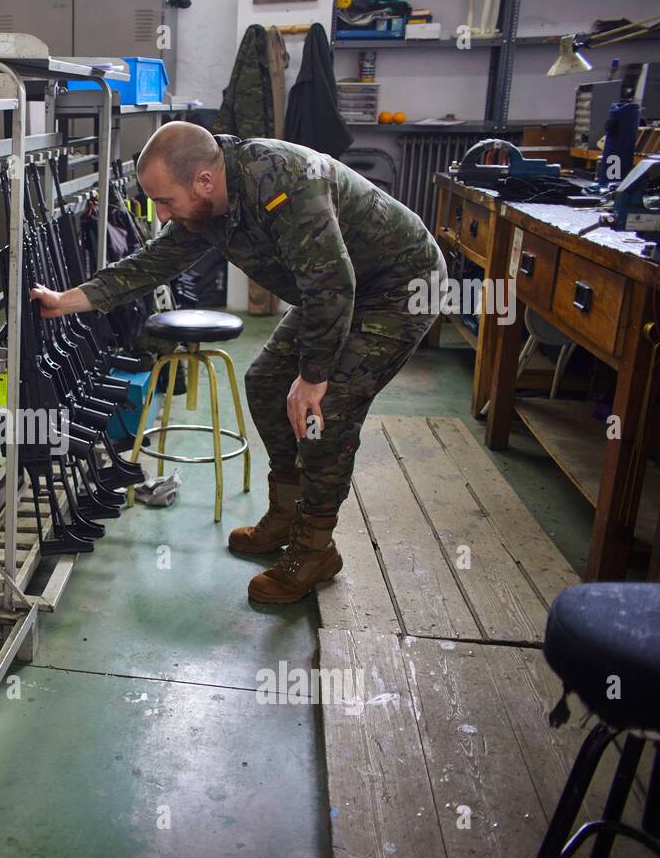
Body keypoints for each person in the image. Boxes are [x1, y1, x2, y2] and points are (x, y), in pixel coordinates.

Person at [31, 122, 446, 605]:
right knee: (268, 382)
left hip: (398, 289)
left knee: (326, 412)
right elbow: (153, 262)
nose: (161, 214)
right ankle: (286, 512)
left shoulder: (286, 183)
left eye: (165, 201)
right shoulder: (204, 205)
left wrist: (313, 379)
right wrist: (68, 300)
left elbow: (333, 286)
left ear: (204, 182)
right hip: (336, 290)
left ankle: (316, 549)